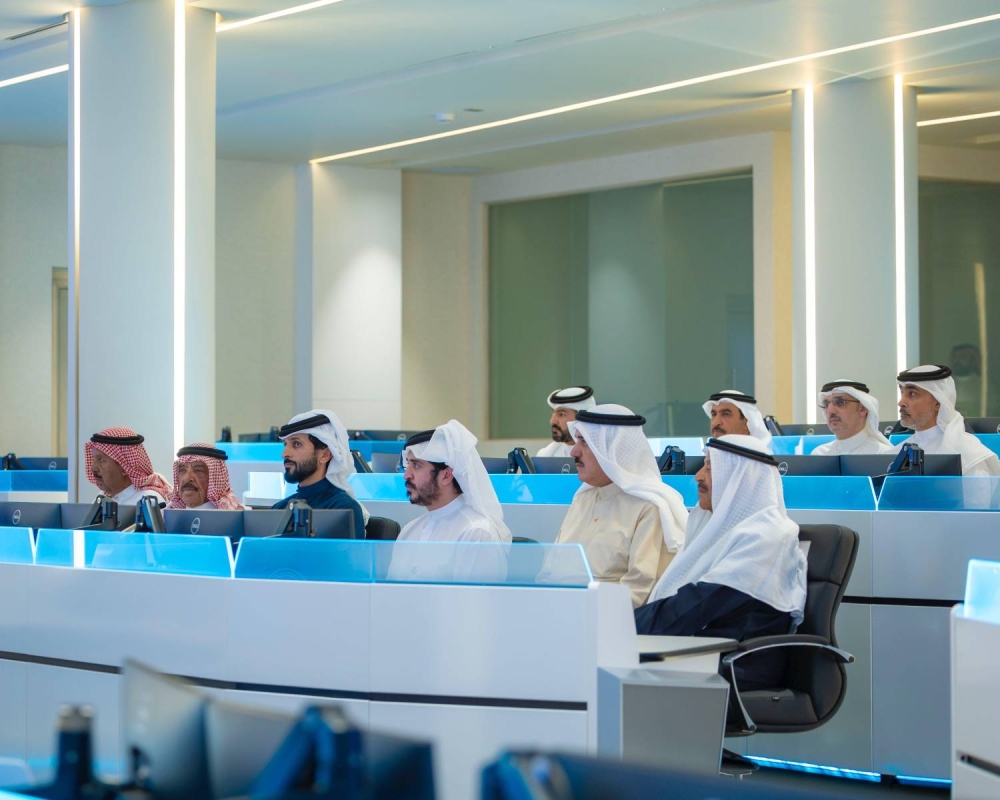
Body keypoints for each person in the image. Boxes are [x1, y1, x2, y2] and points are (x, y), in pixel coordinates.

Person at [635, 435, 807, 641]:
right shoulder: (720, 530)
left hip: (730, 656)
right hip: (696, 647)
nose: (698, 476)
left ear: (741, 479)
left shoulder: (768, 537)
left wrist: (623, 624)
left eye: (710, 468)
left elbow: (696, 606)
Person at [547, 404, 687, 608]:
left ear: (613, 449)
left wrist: (575, 610)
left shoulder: (649, 507)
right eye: (577, 441)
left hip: (607, 620)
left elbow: (639, 592)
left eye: (585, 442)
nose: (574, 451)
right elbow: (549, 571)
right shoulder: (582, 499)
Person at [387, 420, 511, 582]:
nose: (406, 475)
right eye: (408, 465)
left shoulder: (476, 534)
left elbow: (475, 598)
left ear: (446, 475)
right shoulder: (409, 531)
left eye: (417, 465)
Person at [273, 410, 367, 539]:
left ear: (325, 455)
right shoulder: (280, 508)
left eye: (297, 444)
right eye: (285, 444)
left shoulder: (343, 510)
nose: (285, 454)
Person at [896, 365, 1000, 477]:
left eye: (912, 394)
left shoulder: (968, 456)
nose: (901, 403)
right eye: (902, 393)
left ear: (938, 402)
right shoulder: (895, 454)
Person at [85, 427, 172, 506]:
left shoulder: (148, 501)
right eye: (94, 459)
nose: (93, 468)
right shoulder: (102, 496)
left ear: (125, 468)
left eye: (101, 460)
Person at [811, 380, 894, 456]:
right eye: (826, 404)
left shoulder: (883, 455)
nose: (830, 411)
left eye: (840, 402)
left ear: (863, 409)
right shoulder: (819, 454)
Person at [165, 444, 244, 510]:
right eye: (182, 470)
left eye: (198, 470)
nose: (187, 478)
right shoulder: (165, 516)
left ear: (215, 477)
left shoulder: (236, 516)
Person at [537, 386, 597, 458]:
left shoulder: (598, 457)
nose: (552, 421)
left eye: (561, 414)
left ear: (582, 418)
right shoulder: (547, 454)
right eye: (553, 414)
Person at [702, 390, 772, 451]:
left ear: (746, 422)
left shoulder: (759, 459)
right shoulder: (706, 455)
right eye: (714, 414)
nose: (715, 422)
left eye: (726, 414)